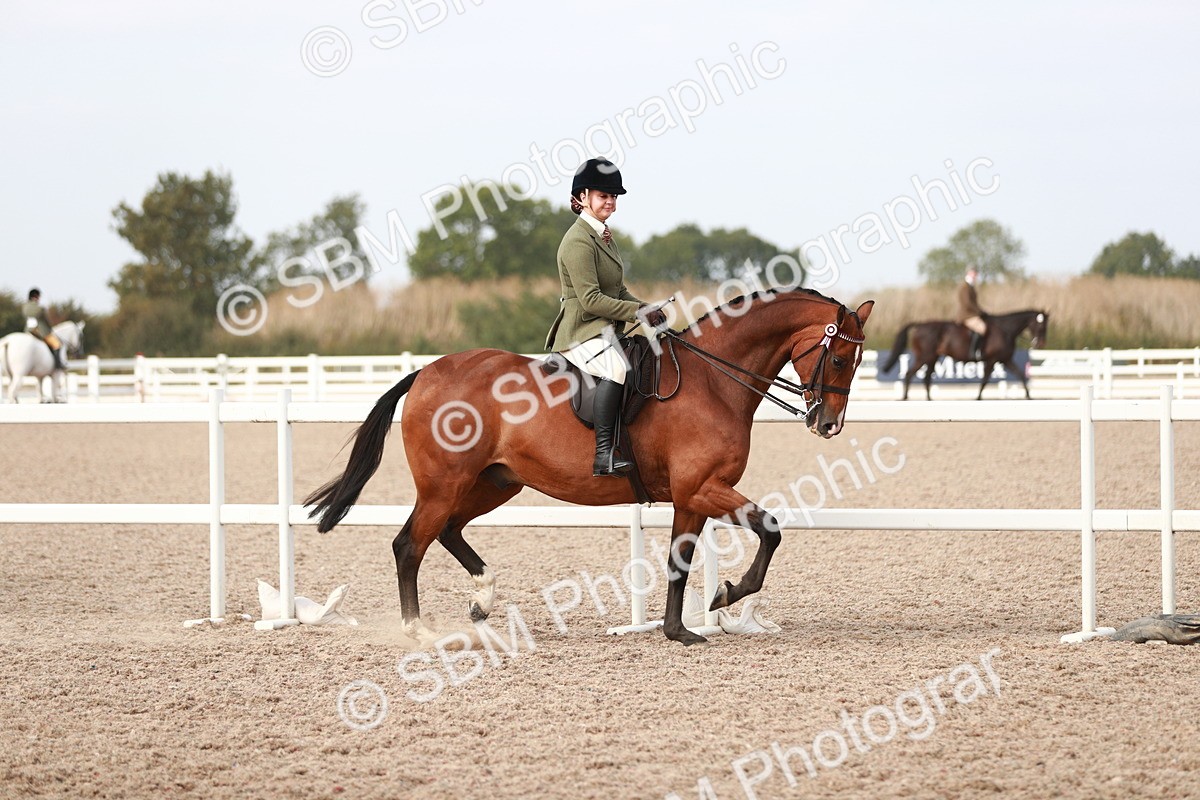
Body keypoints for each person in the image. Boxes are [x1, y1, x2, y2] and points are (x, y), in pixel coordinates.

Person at [545, 157, 666, 478]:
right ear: (582, 197)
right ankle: (603, 454)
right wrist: (636, 312)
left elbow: (617, 289)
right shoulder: (577, 241)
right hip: (580, 330)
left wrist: (646, 307)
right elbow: (591, 300)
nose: (610, 202)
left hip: (603, 329)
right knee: (617, 367)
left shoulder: (603, 236)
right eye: (603, 196)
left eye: (613, 197)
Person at [21, 288, 67, 370]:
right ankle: (57, 364)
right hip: (40, 332)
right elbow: (46, 321)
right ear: (36, 296)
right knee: (57, 344)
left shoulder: (24, 307)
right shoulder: (40, 308)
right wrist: (50, 328)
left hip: (27, 331)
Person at [956, 267, 987, 361]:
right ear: (969, 273)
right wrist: (980, 312)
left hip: (973, 313)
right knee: (982, 328)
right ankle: (973, 352)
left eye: (976, 273)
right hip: (967, 315)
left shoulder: (971, 286)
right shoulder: (965, 287)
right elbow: (967, 303)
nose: (975, 275)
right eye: (974, 273)